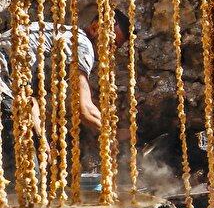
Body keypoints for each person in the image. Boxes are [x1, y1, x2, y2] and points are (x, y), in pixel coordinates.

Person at [0, 10, 131, 161]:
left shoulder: (61, 37)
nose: (110, 53)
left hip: (9, 92)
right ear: (95, 28)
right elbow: (84, 108)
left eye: (115, 48)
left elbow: (31, 99)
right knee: (23, 167)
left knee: (31, 162)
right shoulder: (82, 44)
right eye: (110, 44)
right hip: (4, 90)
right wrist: (114, 134)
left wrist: (41, 139)